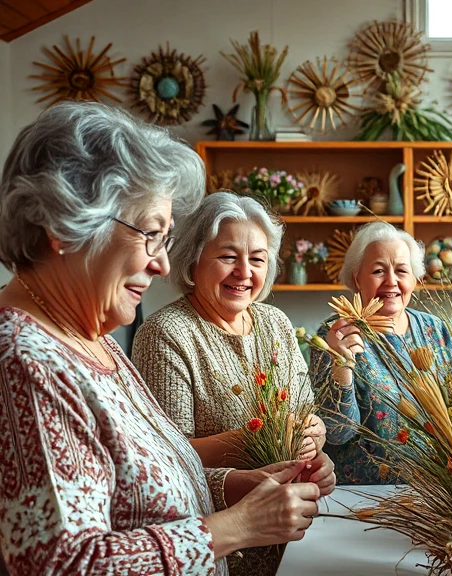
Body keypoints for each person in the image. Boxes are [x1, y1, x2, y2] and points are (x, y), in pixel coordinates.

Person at [0, 102, 335, 575]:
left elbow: (143, 490)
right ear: (64, 226)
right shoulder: (26, 360)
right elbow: (65, 564)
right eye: (151, 235)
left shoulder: (91, 340)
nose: (161, 265)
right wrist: (239, 526)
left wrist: (239, 487)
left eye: (166, 239)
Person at [132, 192, 328, 575]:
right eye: (228, 257)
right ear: (193, 259)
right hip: (221, 550)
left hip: (297, 539)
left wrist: (315, 450)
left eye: (257, 259)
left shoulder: (276, 323)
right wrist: (264, 438)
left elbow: (306, 416)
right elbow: (168, 462)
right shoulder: (165, 334)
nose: (244, 272)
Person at [310, 221, 452, 484]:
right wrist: (342, 368)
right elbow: (336, 433)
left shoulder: (436, 329)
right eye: (378, 271)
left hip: (437, 489)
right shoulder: (336, 334)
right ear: (356, 279)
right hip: (362, 494)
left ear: (414, 279)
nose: (391, 281)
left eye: (402, 270)